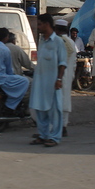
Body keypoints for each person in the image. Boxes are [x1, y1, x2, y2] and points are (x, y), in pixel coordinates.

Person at [29, 13, 67, 147]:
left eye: (39, 24)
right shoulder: (42, 41)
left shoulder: (58, 42)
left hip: (52, 82)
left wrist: (59, 79)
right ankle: (43, 135)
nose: (38, 27)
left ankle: (55, 137)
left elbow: (62, 63)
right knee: (40, 109)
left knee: (54, 110)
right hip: (40, 81)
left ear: (46, 24)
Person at [54, 19, 76, 137]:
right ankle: (63, 126)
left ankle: (57, 127)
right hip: (68, 76)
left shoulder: (58, 41)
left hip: (59, 75)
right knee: (65, 100)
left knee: (57, 100)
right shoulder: (71, 42)